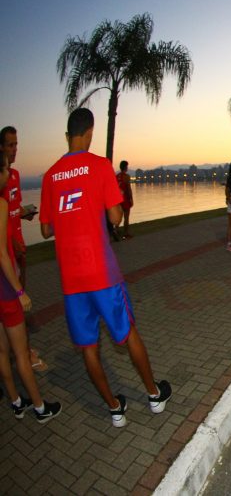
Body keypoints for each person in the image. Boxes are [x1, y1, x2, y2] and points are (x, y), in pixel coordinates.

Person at [39, 108, 171, 428]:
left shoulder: (50, 176)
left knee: (88, 346)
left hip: (71, 280)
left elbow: (45, 229)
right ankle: (154, 395)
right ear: (90, 133)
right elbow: (115, 216)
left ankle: (114, 408)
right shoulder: (99, 166)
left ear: (67, 135)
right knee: (127, 333)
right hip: (102, 273)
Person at [0, 152, 61, 422]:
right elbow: (2, 254)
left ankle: (16, 402)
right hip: (5, 289)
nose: (8, 174)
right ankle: (39, 407)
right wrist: (19, 291)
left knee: (2, 351)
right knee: (21, 352)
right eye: (5, 169)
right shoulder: (1, 204)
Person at [0, 126, 46, 372]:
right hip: (8, 250)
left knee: (20, 299)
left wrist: (25, 213)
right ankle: (23, 354)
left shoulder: (15, 175)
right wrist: (11, 241)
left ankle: (19, 349)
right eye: (10, 145)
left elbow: (13, 210)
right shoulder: (2, 177)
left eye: (16, 144)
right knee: (14, 301)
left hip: (19, 248)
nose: (15, 149)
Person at [115, 160, 134, 240]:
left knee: (119, 217)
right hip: (125, 199)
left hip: (118, 199)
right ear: (125, 167)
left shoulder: (116, 176)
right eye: (127, 166)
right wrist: (131, 199)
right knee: (126, 217)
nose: (127, 168)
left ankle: (115, 231)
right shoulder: (126, 176)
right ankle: (125, 234)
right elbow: (129, 189)